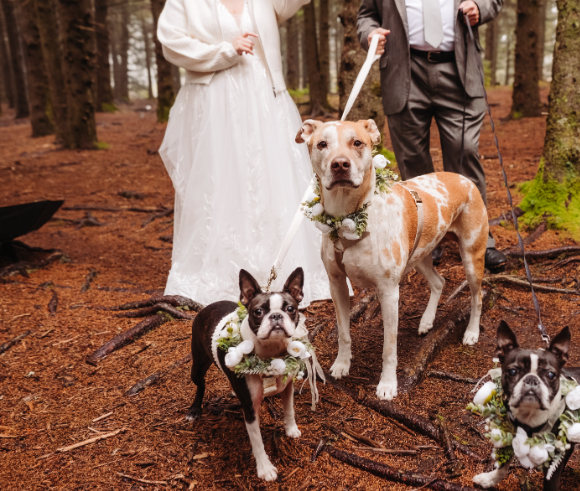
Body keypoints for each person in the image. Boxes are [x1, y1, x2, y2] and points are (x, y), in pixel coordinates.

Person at [156, 0, 332, 306]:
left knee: (269, 179)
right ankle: (223, 275)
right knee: (221, 182)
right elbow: (171, 42)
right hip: (215, 100)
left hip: (264, 99)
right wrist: (224, 51)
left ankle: (281, 269)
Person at [357, 0, 507, 271]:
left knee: (465, 150)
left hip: (458, 69)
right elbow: (366, 15)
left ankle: (479, 238)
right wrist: (370, 34)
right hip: (403, 71)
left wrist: (479, 6)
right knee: (412, 158)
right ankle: (428, 238)